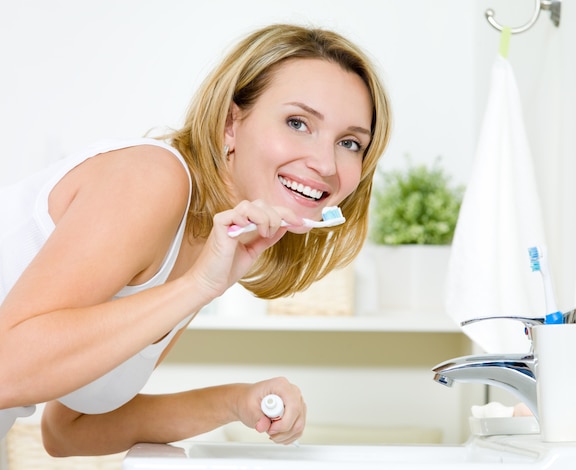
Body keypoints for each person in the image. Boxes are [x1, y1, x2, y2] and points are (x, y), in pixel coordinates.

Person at [0, 23, 391, 456]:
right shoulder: (153, 180)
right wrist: (198, 287)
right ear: (230, 124)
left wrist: (239, 402)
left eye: (351, 143)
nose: (326, 164)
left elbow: (68, 429)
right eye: (297, 122)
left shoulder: (206, 235)